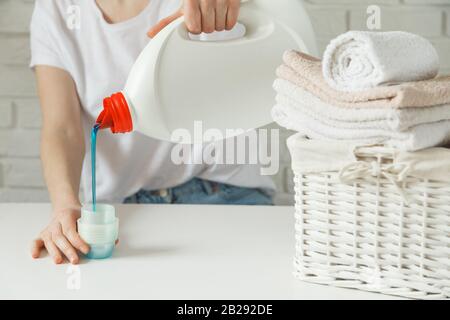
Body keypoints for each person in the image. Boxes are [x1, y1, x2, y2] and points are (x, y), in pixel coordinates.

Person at [30, 0, 275, 265]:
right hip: (120, 211)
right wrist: (65, 204)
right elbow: (62, 128)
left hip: (226, 193)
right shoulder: (57, 9)